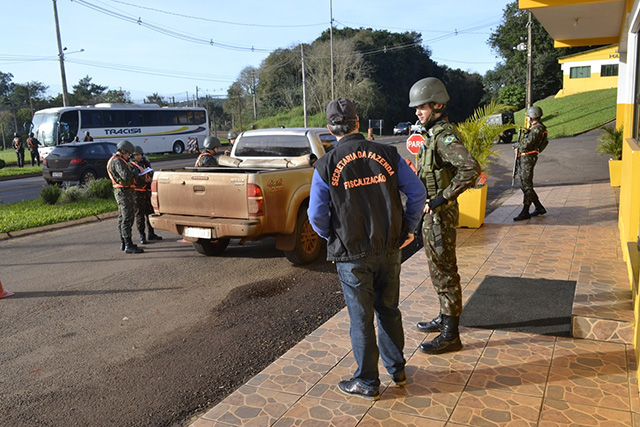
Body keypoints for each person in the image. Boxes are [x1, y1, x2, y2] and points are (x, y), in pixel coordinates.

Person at [308, 98, 426, 400]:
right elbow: (417, 192)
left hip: (352, 253)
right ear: (358, 123)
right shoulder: (388, 153)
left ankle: (367, 381)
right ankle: (397, 370)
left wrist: (332, 237)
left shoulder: (325, 165)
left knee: (361, 318)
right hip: (389, 247)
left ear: (329, 129)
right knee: (389, 310)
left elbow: (316, 215)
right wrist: (407, 229)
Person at [409, 77, 481, 354]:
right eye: (415, 108)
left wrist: (442, 198)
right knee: (437, 270)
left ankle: (451, 334)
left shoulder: (444, 137)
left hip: (440, 215)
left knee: (446, 271)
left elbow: (470, 169)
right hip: (431, 213)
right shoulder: (430, 134)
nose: (417, 112)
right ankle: (444, 316)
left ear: (437, 105)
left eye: (422, 107)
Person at [107, 140, 144, 254]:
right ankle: (128, 244)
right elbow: (126, 175)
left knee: (122, 217)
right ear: (123, 151)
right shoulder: (117, 161)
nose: (129, 156)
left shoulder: (120, 160)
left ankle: (124, 242)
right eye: (128, 153)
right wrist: (136, 171)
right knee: (127, 218)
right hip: (123, 192)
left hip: (123, 191)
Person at [512, 106, 548, 221]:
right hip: (524, 158)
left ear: (532, 116)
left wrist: (517, 145)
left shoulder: (537, 129)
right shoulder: (534, 128)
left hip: (528, 158)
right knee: (523, 183)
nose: (526, 118)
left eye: (528, 116)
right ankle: (538, 207)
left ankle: (525, 210)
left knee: (526, 184)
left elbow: (528, 143)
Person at [130, 146, 162, 244]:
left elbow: (150, 172)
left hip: (147, 192)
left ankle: (151, 233)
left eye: (140, 155)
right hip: (137, 193)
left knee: (150, 213)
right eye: (136, 155)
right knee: (140, 215)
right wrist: (145, 180)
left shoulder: (145, 163)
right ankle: (142, 235)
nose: (138, 157)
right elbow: (134, 179)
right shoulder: (131, 165)